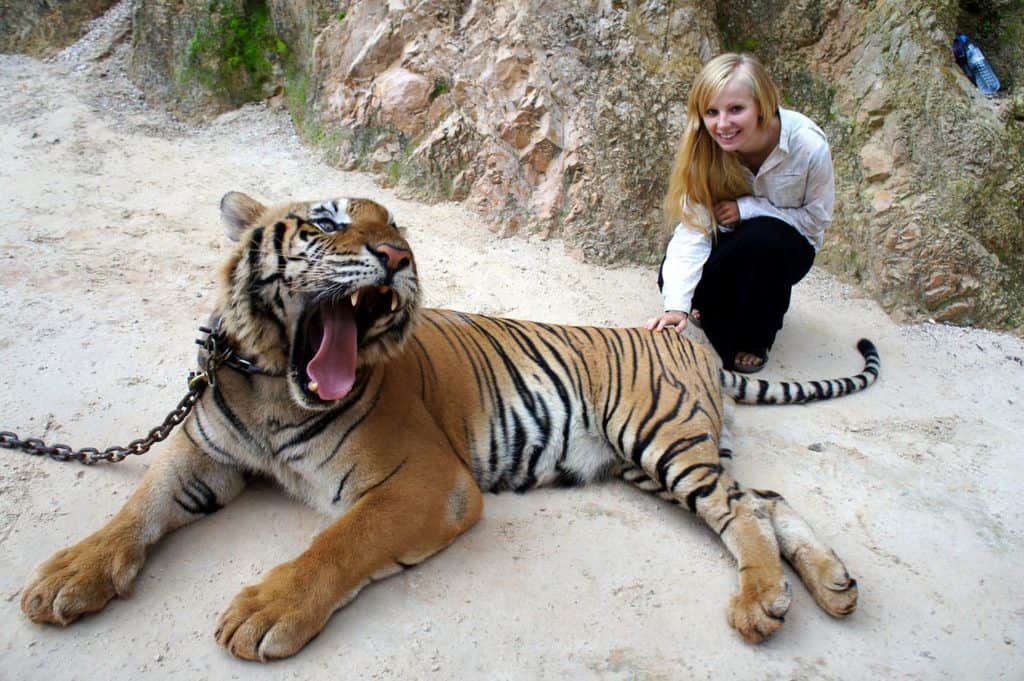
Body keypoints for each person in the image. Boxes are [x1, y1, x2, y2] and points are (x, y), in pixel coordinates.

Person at [644, 52, 834, 373]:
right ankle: (707, 307)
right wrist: (676, 306)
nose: (722, 125)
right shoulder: (704, 149)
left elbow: (815, 223)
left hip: (785, 250)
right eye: (712, 112)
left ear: (762, 104)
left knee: (762, 238)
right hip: (732, 246)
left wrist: (748, 209)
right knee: (671, 276)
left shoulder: (808, 146)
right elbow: (693, 232)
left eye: (736, 110)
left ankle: (757, 338)